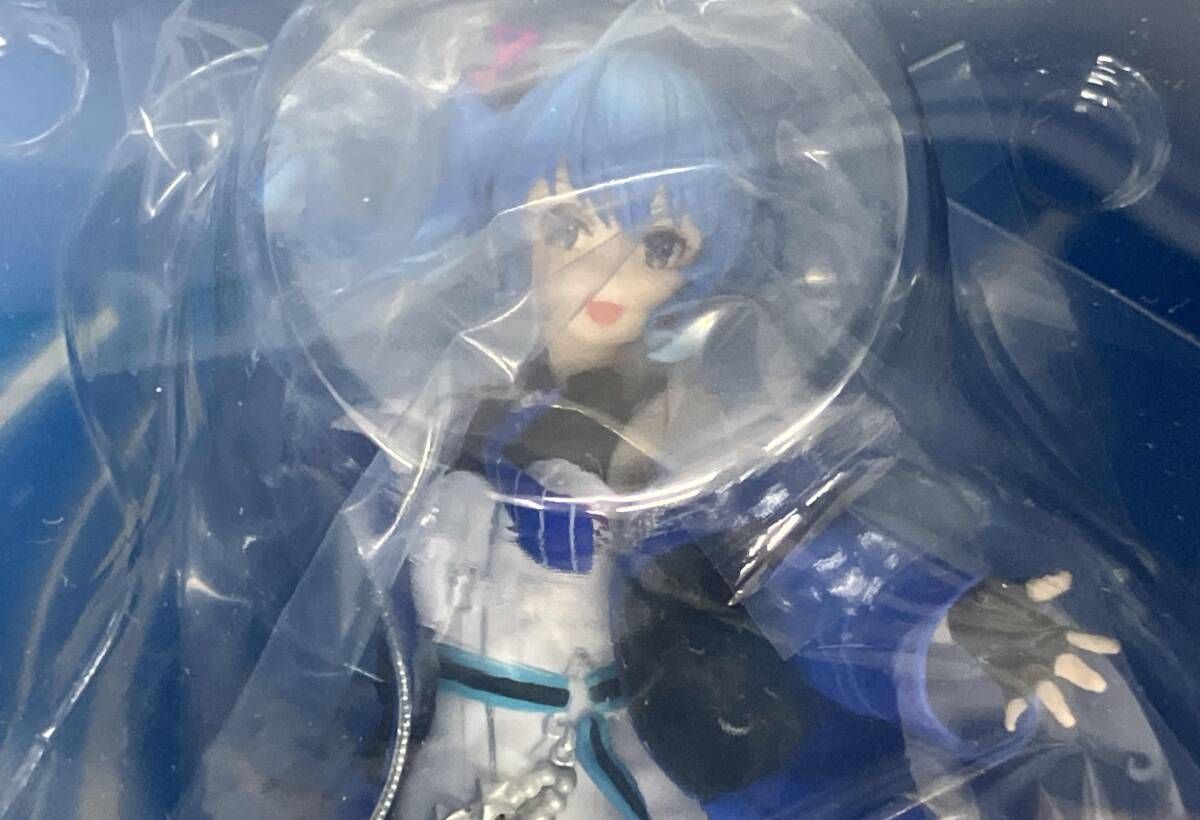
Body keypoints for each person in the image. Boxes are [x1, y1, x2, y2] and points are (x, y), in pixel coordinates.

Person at [389, 47, 1129, 819]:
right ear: (515, 228)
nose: (608, 272)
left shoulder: (689, 428)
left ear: (700, 260)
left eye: (657, 244)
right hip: (449, 766)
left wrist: (949, 623)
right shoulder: (446, 415)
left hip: (601, 765)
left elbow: (812, 566)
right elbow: (372, 616)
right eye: (569, 227)